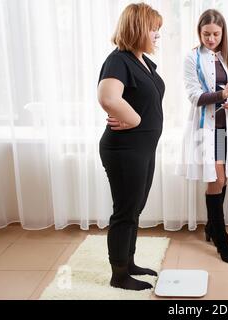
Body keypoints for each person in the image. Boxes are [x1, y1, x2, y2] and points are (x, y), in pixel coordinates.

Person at [177, 9, 228, 264]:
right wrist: (221, 96)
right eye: (206, 34)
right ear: (199, 33)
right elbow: (193, 96)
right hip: (206, 129)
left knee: (222, 178)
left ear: (223, 33)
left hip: (226, 128)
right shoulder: (192, 58)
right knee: (215, 178)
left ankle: (211, 226)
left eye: (216, 34)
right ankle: (222, 241)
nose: (211, 39)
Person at [97, 3, 165, 291]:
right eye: (153, 29)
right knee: (125, 211)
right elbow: (108, 97)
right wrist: (134, 118)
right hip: (125, 150)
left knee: (135, 208)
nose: (157, 35)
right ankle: (119, 275)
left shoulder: (142, 61)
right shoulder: (118, 60)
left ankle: (130, 261)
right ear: (138, 29)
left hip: (142, 149)